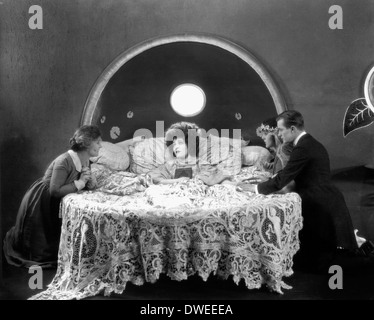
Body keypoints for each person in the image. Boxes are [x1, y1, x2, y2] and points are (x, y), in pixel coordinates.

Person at [238, 110, 374, 272]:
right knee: (318, 259)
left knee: (324, 263)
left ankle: (369, 261)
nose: (279, 134)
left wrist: (254, 188)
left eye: (281, 130)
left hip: (322, 205)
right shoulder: (309, 144)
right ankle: (364, 255)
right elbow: (290, 171)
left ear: (293, 129)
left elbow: (283, 180)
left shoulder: (302, 148)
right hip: (325, 201)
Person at [3, 125, 102, 268]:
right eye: (98, 142)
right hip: (43, 201)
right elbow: (54, 191)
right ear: (86, 143)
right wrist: (80, 182)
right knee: (41, 248)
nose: (101, 145)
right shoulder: (64, 160)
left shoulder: (85, 160)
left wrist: (89, 181)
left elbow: (83, 183)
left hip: (59, 199)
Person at [149, 122, 233, 186]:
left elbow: (218, 179)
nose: (176, 147)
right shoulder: (169, 166)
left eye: (180, 143)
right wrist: (176, 181)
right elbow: (154, 179)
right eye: (174, 144)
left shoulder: (201, 164)